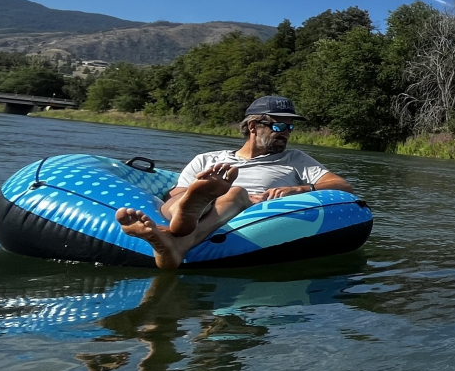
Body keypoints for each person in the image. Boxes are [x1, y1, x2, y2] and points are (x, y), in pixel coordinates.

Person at [115, 95, 354, 269]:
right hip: (197, 207)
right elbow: (174, 193)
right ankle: (193, 207)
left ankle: (182, 227)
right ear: (253, 126)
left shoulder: (295, 159)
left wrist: (299, 189)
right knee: (182, 196)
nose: (286, 133)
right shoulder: (208, 159)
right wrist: (192, 196)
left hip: (248, 210)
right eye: (278, 125)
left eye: (290, 127)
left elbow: (343, 187)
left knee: (236, 191)